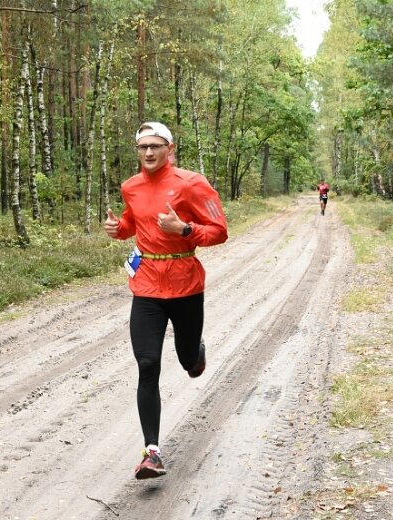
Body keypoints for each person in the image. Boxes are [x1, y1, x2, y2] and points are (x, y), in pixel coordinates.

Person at [103, 122, 228, 479]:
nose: (148, 153)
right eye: (143, 147)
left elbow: (220, 231)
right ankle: (152, 452)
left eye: (156, 146)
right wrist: (119, 229)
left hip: (185, 284)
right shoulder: (131, 186)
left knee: (187, 359)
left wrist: (185, 230)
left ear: (170, 148)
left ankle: (195, 354)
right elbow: (133, 224)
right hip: (145, 288)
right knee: (147, 364)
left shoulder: (192, 184)